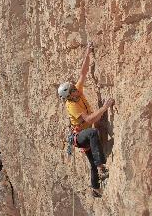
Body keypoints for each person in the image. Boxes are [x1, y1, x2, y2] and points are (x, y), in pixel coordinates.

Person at [58, 42, 114, 197]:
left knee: (91, 163)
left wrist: (88, 52)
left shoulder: (77, 92)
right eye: (73, 90)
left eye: (74, 88)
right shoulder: (72, 106)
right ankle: (101, 166)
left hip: (82, 134)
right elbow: (89, 119)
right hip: (79, 137)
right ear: (69, 95)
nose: (76, 89)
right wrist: (104, 107)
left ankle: (95, 189)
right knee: (92, 132)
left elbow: (83, 73)